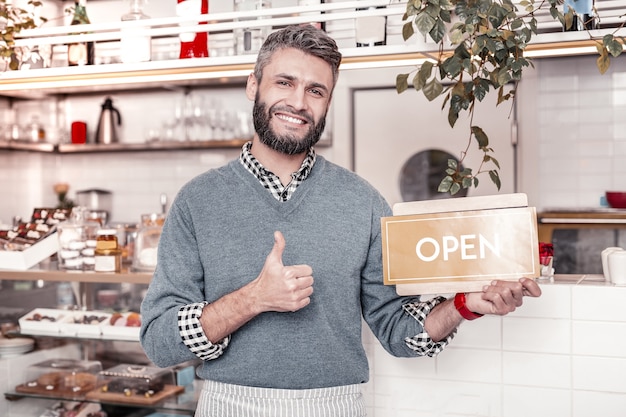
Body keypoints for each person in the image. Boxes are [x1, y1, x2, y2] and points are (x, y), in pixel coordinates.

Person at [139, 24, 542, 417]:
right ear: (253, 85)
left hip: (334, 406)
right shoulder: (198, 200)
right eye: (284, 82)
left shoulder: (363, 201)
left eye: (316, 91)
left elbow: (397, 331)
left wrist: (464, 305)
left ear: (327, 103)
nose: (298, 102)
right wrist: (254, 298)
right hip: (230, 405)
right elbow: (160, 343)